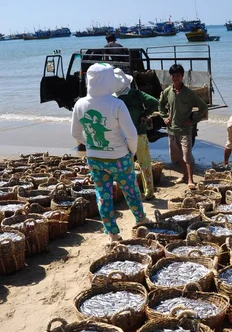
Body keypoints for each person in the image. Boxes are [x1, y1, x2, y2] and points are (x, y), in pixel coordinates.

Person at [71, 63, 148, 243]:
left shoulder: (80, 104)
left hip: (95, 159)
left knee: (103, 195)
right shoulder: (117, 104)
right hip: (119, 158)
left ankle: (113, 235)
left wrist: (90, 144)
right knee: (131, 191)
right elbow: (131, 134)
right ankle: (141, 220)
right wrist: (132, 151)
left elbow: (75, 133)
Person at [159, 63, 208, 189]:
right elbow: (160, 105)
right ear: (171, 77)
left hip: (185, 130)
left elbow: (203, 107)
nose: (176, 77)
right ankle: (184, 176)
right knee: (178, 156)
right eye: (174, 75)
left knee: (187, 156)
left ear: (182, 76)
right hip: (171, 130)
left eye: (178, 75)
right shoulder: (167, 91)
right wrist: (164, 117)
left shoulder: (189, 93)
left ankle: (191, 180)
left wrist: (192, 119)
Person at [113, 68, 159, 200]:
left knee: (127, 166)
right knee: (145, 163)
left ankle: (130, 193)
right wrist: (144, 113)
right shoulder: (136, 94)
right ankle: (148, 192)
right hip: (139, 133)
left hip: (122, 136)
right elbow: (154, 102)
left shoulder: (113, 99)